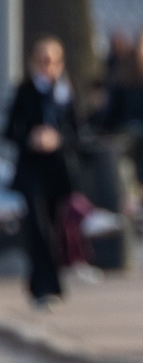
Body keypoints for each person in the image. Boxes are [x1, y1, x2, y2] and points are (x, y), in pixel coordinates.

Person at [6, 37, 82, 306]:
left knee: (55, 225)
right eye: (43, 61)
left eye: (53, 61)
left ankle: (53, 282)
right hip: (31, 170)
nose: (47, 67)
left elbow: (78, 131)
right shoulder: (24, 91)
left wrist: (57, 138)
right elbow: (10, 130)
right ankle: (42, 286)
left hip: (57, 171)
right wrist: (31, 136)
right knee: (36, 226)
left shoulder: (65, 93)